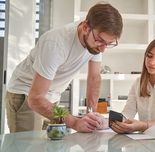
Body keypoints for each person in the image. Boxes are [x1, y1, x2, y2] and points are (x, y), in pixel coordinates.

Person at [5, 3, 123, 133]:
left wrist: (92, 114)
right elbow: (35, 98)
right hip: (26, 94)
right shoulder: (55, 43)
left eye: (109, 44)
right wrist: (75, 122)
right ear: (85, 27)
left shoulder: (96, 40)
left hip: (52, 98)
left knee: (51, 150)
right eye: (100, 41)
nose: (103, 49)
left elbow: (94, 77)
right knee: (28, 151)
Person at [110, 37, 155, 134]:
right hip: (145, 142)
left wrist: (143, 126)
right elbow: (128, 113)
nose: (152, 62)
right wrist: (116, 123)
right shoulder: (138, 83)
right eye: (149, 56)